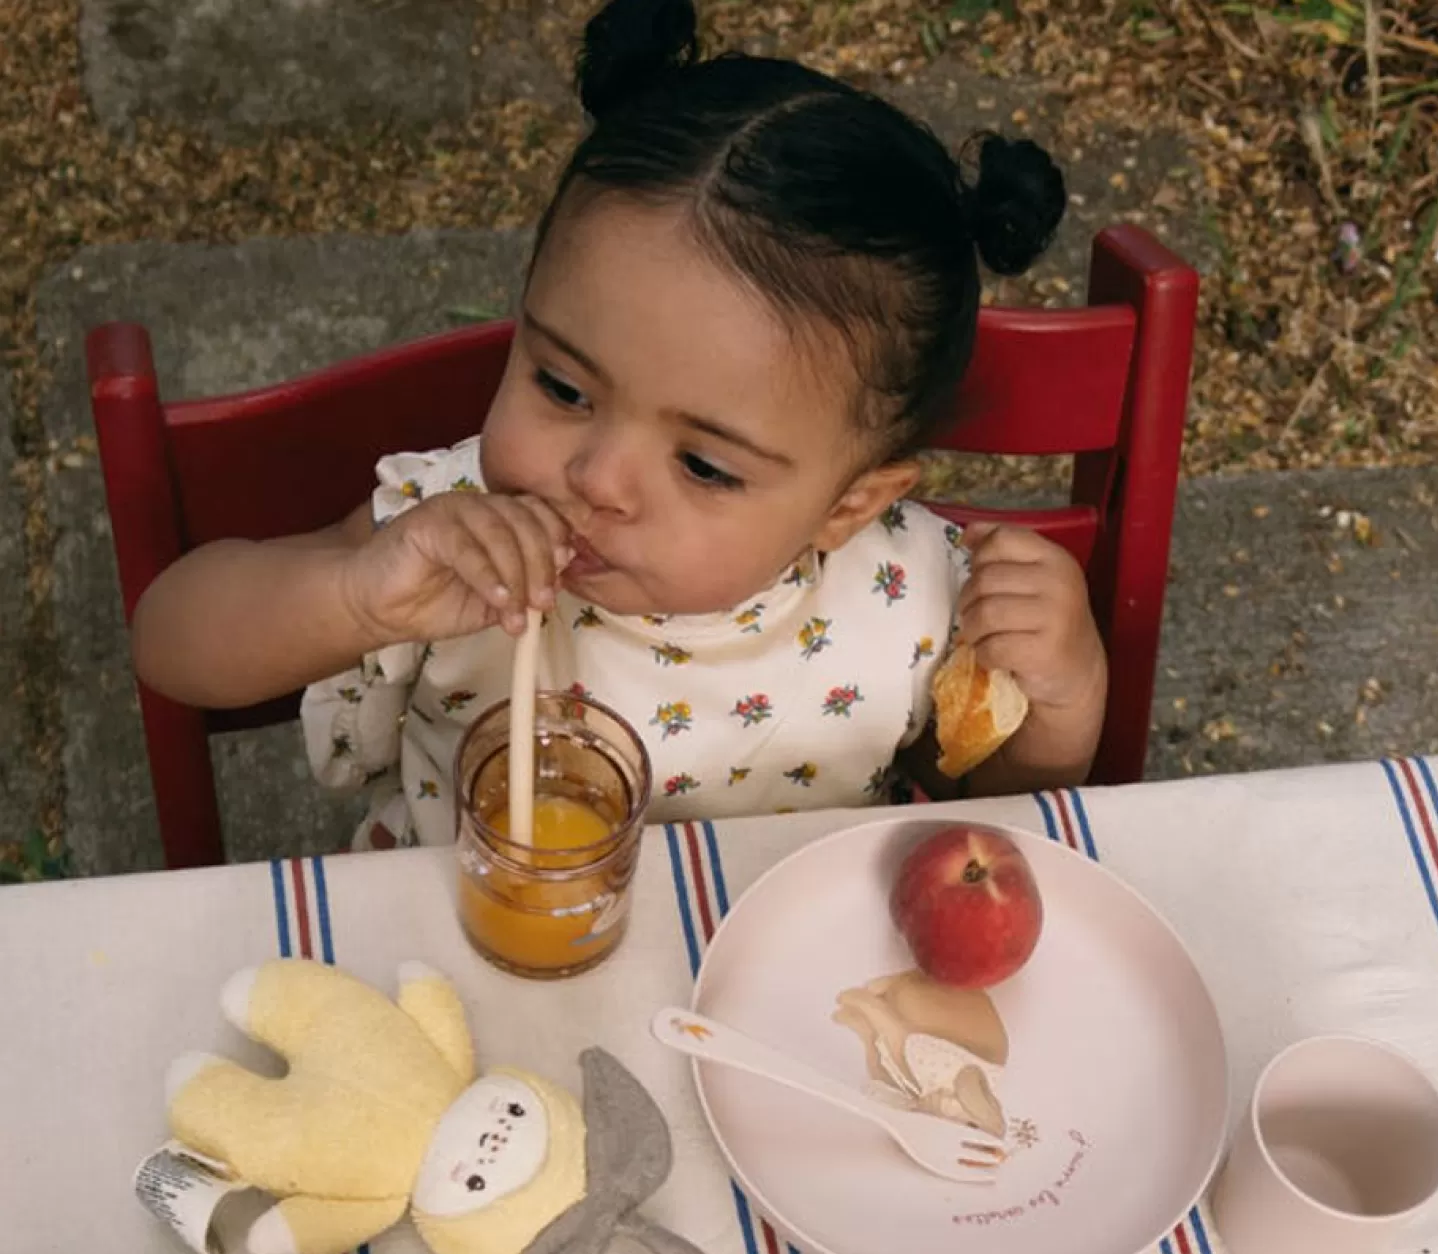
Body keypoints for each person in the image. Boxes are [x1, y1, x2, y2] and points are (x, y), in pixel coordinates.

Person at [132, 0, 1107, 845]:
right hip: (457, 982)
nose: (596, 477)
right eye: (561, 388)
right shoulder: (451, 536)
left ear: (849, 506)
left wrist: (1059, 704)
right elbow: (171, 645)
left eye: (705, 466)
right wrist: (354, 598)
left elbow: (995, 815)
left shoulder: (908, 598)